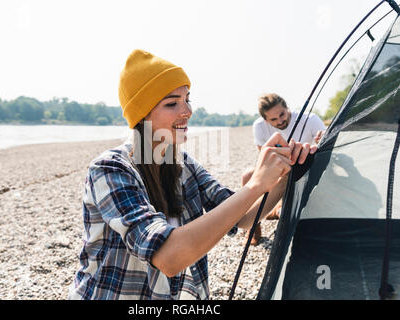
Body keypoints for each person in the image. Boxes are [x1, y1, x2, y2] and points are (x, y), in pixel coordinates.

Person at [68, 50, 316, 300]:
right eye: (172, 103)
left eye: (188, 99)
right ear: (142, 114)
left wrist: (283, 173)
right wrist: (255, 184)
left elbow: (243, 218)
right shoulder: (110, 169)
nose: (187, 110)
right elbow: (168, 257)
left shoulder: (184, 164)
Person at [242, 93, 326, 245]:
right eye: (273, 119)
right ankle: (254, 228)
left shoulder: (310, 119)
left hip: (307, 169)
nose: (280, 121)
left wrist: (322, 139)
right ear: (265, 120)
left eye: (282, 114)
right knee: (248, 175)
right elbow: (264, 159)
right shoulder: (259, 127)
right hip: (280, 169)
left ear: (287, 108)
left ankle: (278, 209)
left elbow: (327, 148)